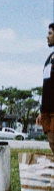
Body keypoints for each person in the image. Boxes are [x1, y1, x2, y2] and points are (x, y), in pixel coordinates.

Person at [37, 22, 54, 153]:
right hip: (47, 111)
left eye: (50, 33)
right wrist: (42, 111)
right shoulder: (50, 58)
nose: (47, 36)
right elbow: (47, 86)